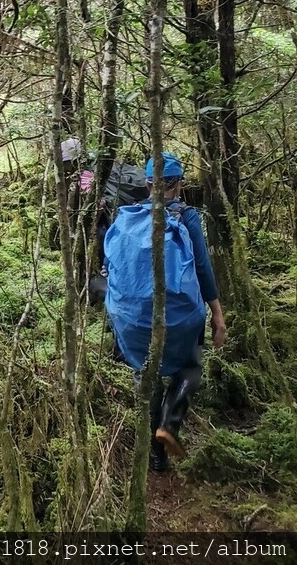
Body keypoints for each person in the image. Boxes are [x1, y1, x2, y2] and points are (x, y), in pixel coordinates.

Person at [104, 151, 227, 473]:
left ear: (147, 184)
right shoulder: (186, 217)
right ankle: (170, 425)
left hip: (132, 318)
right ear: (180, 184)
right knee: (190, 368)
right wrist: (217, 314)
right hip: (181, 317)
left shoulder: (125, 217)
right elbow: (202, 267)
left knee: (147, 376)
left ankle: (155, 458)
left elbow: (110, 267)